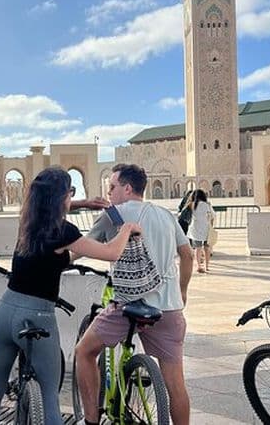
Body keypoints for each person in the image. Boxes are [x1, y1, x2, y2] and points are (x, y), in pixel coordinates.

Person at [0, 166, 140, 425]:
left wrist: (84, 202)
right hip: (37, 316)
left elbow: (47, 204)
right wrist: (126, 230)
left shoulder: (27, 221)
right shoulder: (64, 231)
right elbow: (111, 253)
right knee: (49, 395)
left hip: (4, 312)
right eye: (69, 192)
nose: (70, 198)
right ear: (61, 197)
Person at [76, 163, 193, 425]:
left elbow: (79, 249)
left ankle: (92, 421)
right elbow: (187, 254)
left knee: (84, 352)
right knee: (175, 383)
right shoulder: (166, 215)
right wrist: (182, 290)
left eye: (112, 187)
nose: (109, 194)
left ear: (127, 188)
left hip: (128, 307)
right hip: (169, 310)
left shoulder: (112, 214)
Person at [186, 189, 215, 273]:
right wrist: (211, 225)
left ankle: (198, 266)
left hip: (195, 229)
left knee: (197, 249)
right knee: (207, 248)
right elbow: (213, 215)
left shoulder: (191, 205)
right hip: (206, 228)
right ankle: (207, 266)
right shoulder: (207, 205)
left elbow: (183, 214)